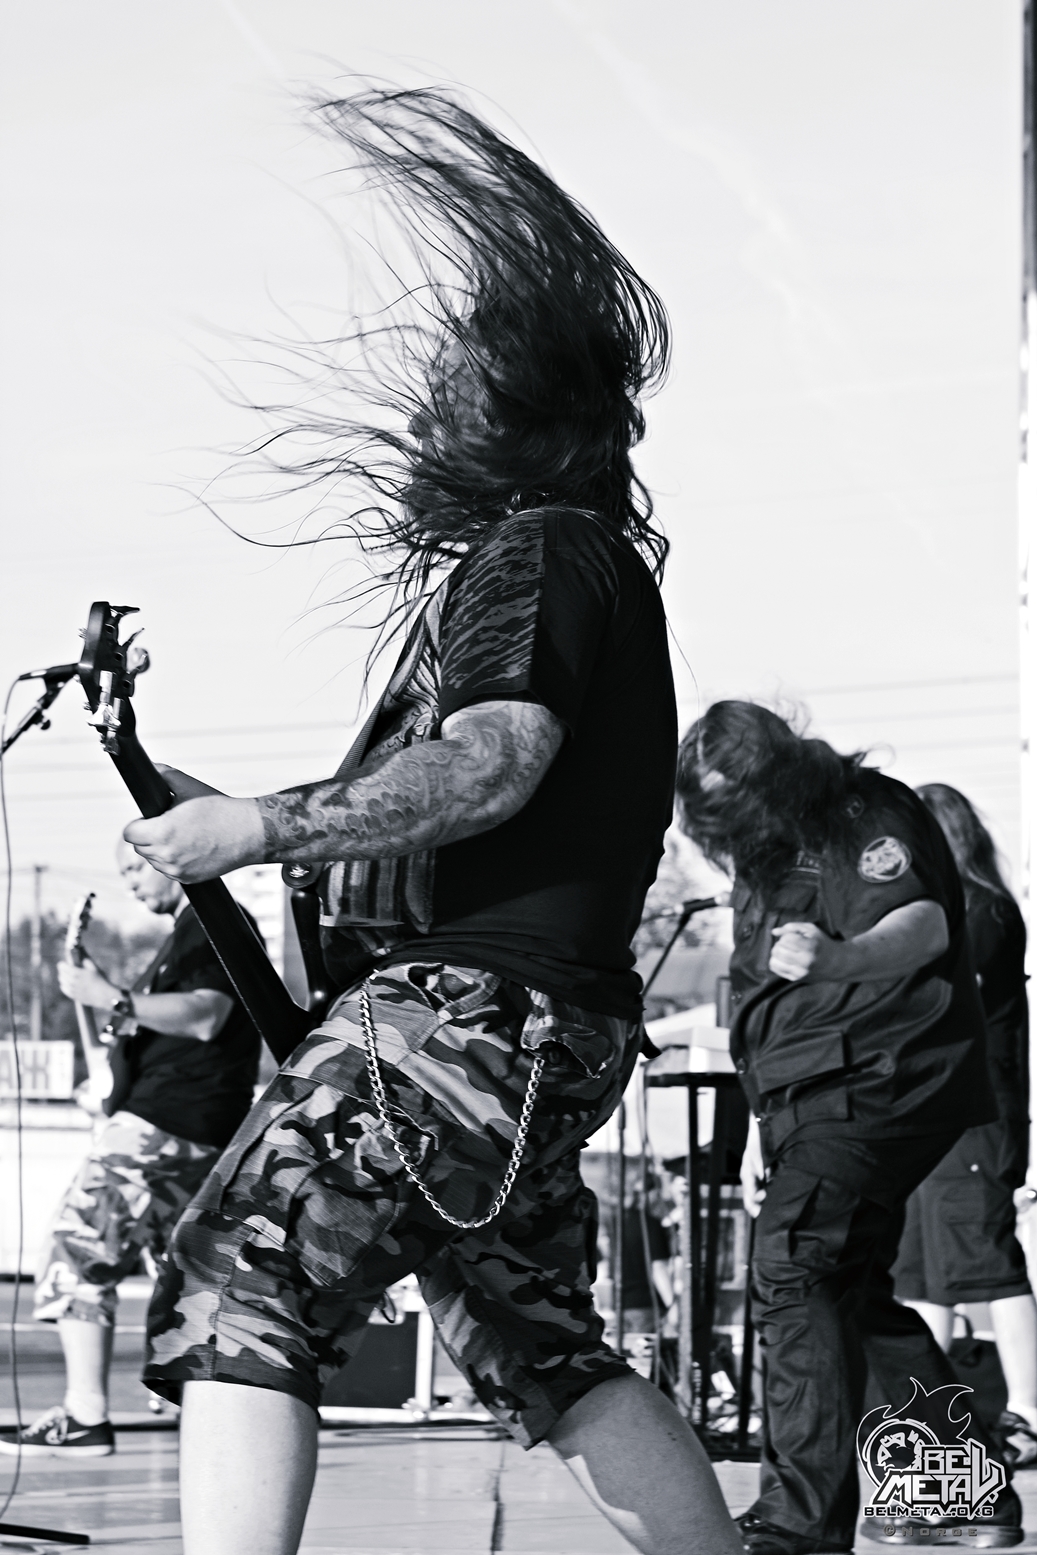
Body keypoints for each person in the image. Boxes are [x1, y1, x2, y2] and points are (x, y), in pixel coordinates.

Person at [125, 89, 741, 1555]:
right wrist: (199, 808)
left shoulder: (539, 553)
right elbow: (448, 799)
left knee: (240, 1273)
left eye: (450, 390)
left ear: (523, 416)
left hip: (472, 1016)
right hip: (536, 1030)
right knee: (540, 1343)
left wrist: (256, 826)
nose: (418, 417)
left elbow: (489, 766)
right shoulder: (576, 562)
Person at [676, 702, 1020, 1555]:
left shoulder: (863, 812)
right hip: (803, 1095)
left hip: (878, 1074)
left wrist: (840, 957)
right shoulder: (766, 847)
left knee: (793, 1264)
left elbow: (921, 923)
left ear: (778, 778)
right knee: (845, 1290)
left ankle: (797, 1523)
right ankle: (955, 1492)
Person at [0, 841, 262, 1459]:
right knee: (186, 1272)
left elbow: (205, 1016)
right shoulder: (185, 937)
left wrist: (113, 997)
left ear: (172, 855)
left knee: (79, 1246)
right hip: (183, 1123)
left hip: (167, 1123)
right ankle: (214, 1411)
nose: (130, 883)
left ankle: (85, 1414)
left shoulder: (213, 922)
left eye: (134, 866)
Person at [892, 784, 1037, 1465]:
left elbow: (944, 1001)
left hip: (976, 1115)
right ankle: (925, 1420)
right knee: (922, 1273)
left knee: (986, 1262)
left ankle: (1026, 1413)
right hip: (936, 1114)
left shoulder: (982, 912)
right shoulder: (954, 911)